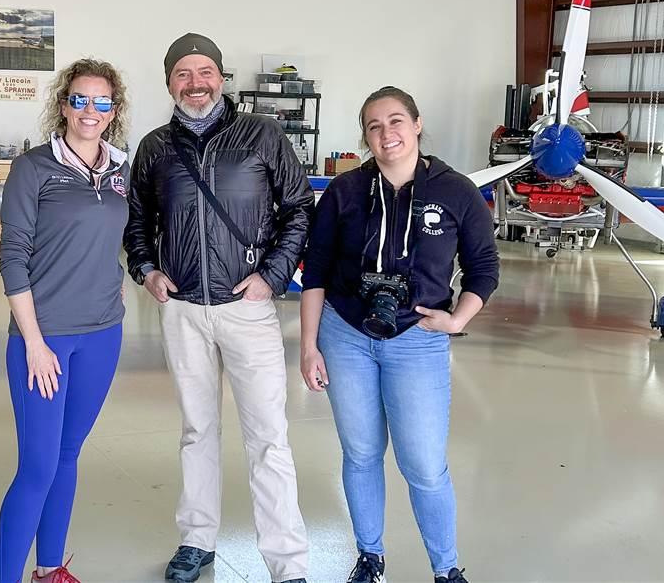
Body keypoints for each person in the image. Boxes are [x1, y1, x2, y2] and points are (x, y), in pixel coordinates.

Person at [124, 33, 314, 583]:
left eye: (204, 71)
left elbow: (299, 209)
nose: (195, 83)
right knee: (196, 430)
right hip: (181, 308)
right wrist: (146, 270)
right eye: (183, 73)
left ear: (222, 77)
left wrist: (272, 277)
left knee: (268, 437)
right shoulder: (156, 148)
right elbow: (137, 220)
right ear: (169, 84)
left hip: (247, 308)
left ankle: (288, 562)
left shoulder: (264, 135)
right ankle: (197, 539)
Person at [298, 86, 499, 583]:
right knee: (361, 453)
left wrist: (457, 319)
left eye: (395, 121)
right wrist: (308, 346)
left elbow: (484, 268)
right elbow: (316, 270)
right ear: (366, 137)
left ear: (416, 124)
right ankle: (370, 556)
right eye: (373, 126)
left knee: (425, 466)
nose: (386, 134)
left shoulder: (456, 192)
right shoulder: (345, 192)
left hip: (417, 339)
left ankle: (446, 568)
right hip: (345, 335)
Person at [0, 58, 132, 583]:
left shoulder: (120, 169)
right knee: (37, 467)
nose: (90, 111)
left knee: (68, 456)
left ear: (113, 111)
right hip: (45, 339)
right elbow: (13, 256)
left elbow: (114, 235)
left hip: (103, 333)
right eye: (80, 99)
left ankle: (49, 569)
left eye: (101, 102)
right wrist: (32, 340)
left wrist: (116, 273)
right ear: (63, 105)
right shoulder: (33, 168)